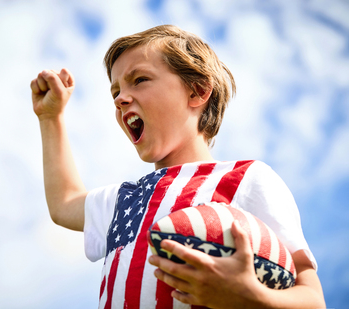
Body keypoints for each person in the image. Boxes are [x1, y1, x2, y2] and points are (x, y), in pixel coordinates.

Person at [30, 25, 325, 309]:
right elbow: (64, 203)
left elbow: (311, 297)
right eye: (115, 91)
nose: (120, 98)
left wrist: (251, 297)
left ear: (197, 91)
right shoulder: (125, 201)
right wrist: (50, 117)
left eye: (140, 79)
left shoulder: (246, 179)